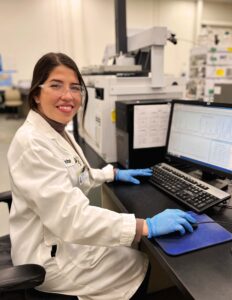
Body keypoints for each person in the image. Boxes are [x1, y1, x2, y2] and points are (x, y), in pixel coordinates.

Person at [7, 52, 196, 300]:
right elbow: (72, 219)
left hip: (55, 236)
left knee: (127, 243)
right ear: (36, 94)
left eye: (75, 88)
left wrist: (112, 173)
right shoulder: (33, 142)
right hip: (47, 258)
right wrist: (145, 225)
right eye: (56, 85)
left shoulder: (54, 129)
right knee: (136, 263)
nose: (68, 96)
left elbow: (74, 173)